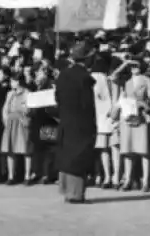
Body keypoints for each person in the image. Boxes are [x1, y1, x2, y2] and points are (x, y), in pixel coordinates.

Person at [54, 42, 97, 204]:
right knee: (79, 156)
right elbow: (87, 104)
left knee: (67, 155)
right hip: (81, 122)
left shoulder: (63, 74)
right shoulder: (84, 77)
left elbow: (57, 97)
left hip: (65, 120)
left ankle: (66, 191)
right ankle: (76, 193)